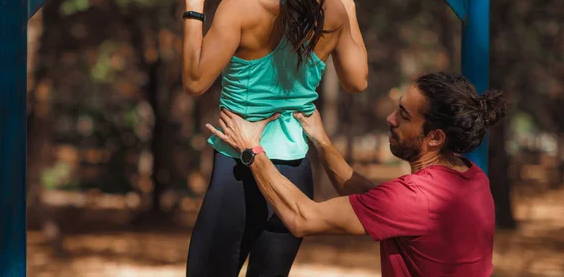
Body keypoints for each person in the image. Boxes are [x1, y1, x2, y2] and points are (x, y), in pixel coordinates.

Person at [181, 0, 368, 276]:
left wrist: (193, 4)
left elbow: (195, 81)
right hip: (296, 173)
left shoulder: (241, 6)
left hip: (238, 170)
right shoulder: (332, 13)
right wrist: (347, 3)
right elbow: (357, 81)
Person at [207, 72, 507, 277]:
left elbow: (302, 218)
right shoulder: (472, 178)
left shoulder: (416, 198)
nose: (390, 118)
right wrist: (322, 140)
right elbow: (375, 200)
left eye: (404, 115)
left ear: (435, 137)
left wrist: (251, 150)